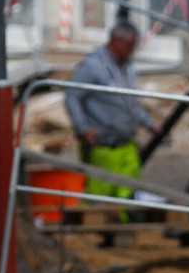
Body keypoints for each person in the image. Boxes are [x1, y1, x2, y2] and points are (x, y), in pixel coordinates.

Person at [64, 19, 159, 206]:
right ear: (117, 41)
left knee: (129, 198)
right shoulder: (92, 66)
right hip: (103, 146)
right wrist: (83, 128)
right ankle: (94, 233)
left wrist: (149, 124)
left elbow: (131, 103)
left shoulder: (128, 67)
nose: (132, 51)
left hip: (127, 146)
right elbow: (72, 97)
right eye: (130, 45)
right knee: (100, 201)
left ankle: (125, 229)